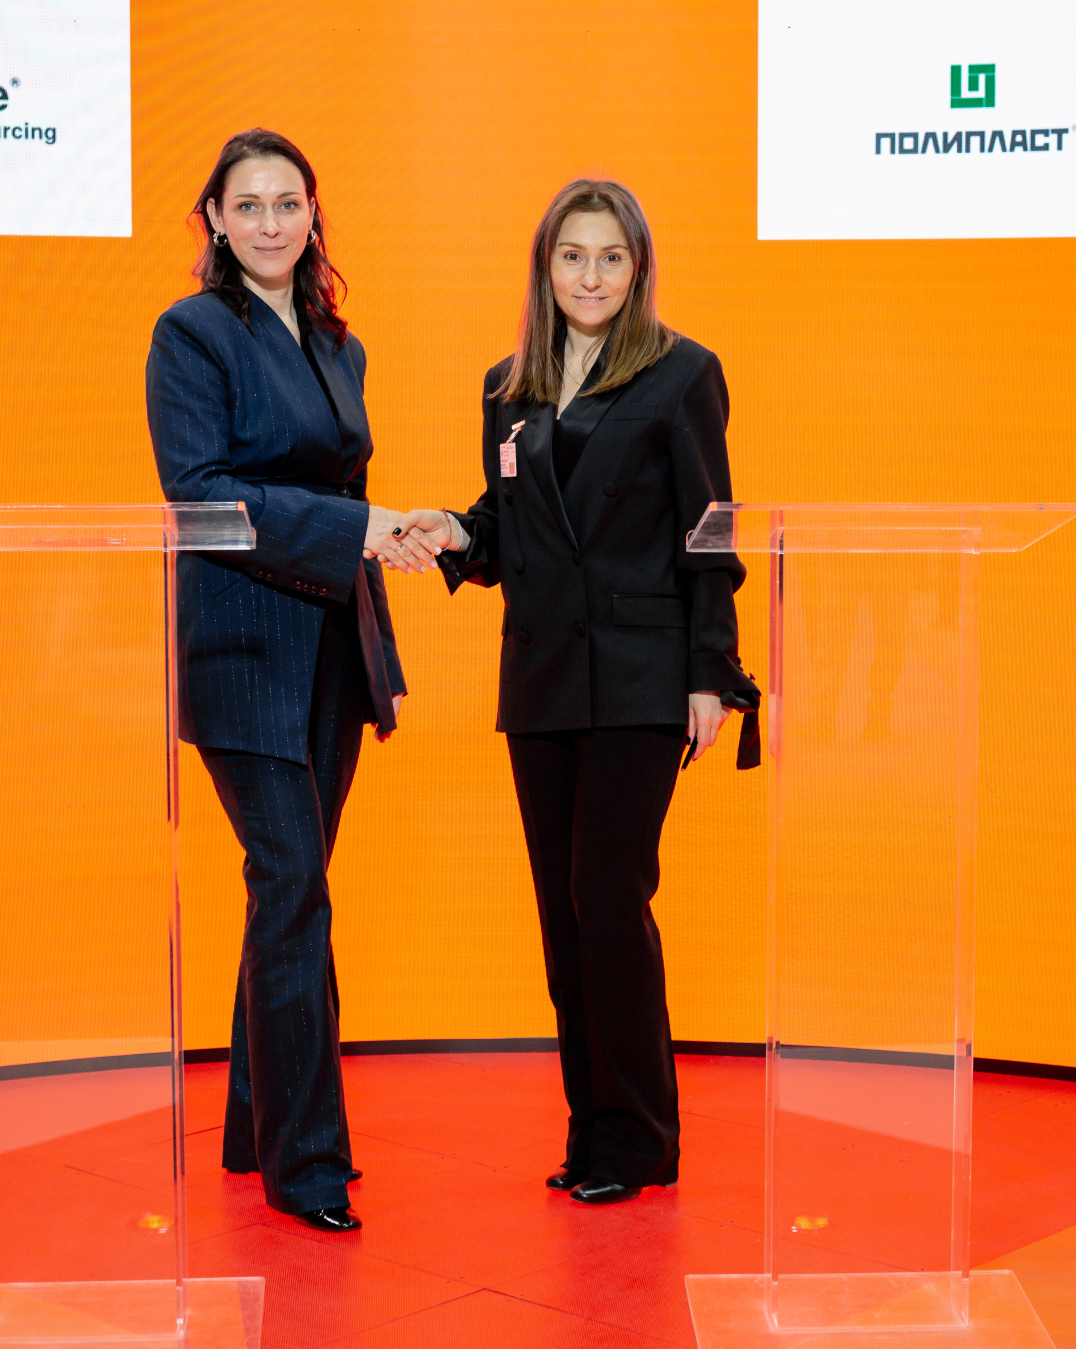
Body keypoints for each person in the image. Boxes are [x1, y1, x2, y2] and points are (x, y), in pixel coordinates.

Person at [382, 180, 760, 1206]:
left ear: (638, 269)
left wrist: (709, 672)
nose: (590, 277)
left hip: (642, 677)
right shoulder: (508, 386)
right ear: (544, 268)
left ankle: (639, 1139)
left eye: (610, 257)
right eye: (572, 256)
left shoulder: (682, 372)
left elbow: (710, 531)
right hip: (543, 676)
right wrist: (455, 531)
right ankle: (591, 1130)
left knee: (609, 898)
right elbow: (511, 529)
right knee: (564, 913)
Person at [146, 128, 412, 1233]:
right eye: (247, 204)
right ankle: (306, 1163)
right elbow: (199, 493)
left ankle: (254, 1126)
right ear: (214, 218)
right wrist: (358, 526)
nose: (269, 222)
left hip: (335, 643)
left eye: (287, 202)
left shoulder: (340, 343)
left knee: (286, 890)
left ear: (312, 215)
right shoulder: (191, 333)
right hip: (243, 644)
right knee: (292, 882)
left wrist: (387, 534)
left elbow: (341, 485)